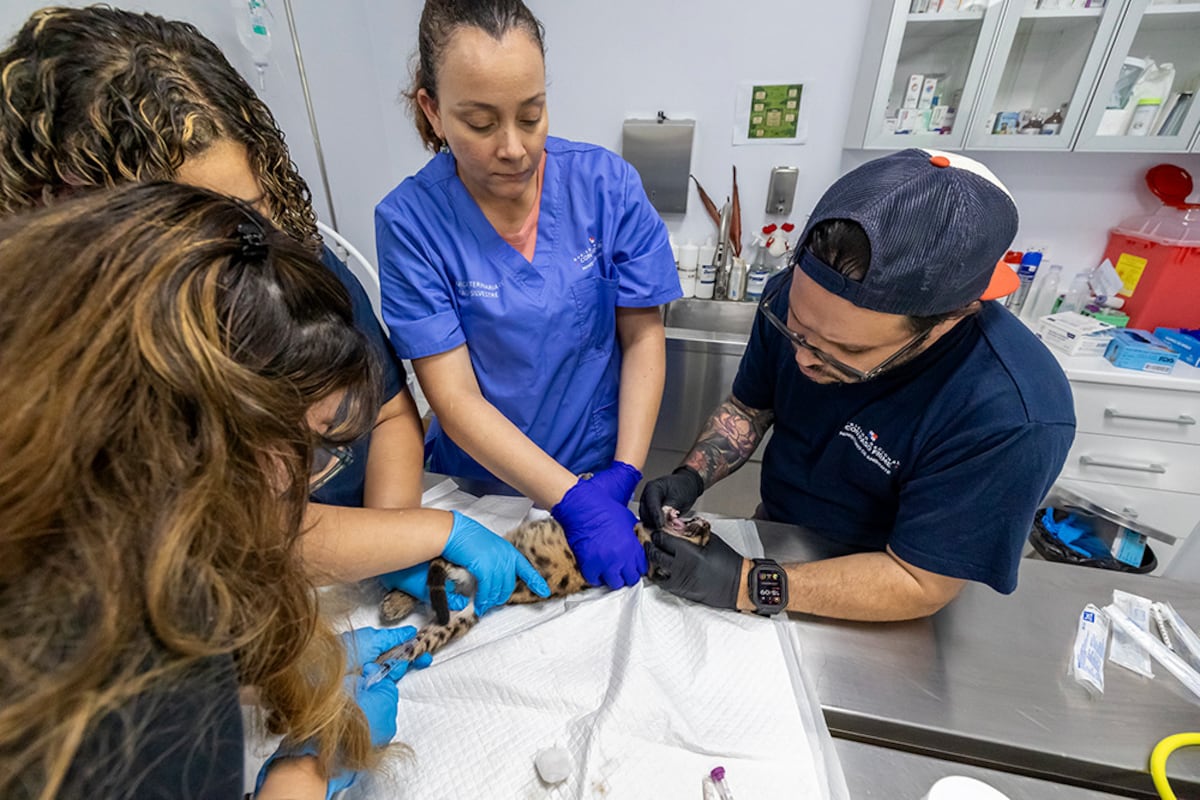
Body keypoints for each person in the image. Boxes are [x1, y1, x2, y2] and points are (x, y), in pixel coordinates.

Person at [0, 6, 547, 614]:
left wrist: (394, 537)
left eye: (252, 213)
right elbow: (234, 535)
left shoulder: (288, 257)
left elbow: (390, 413)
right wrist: (426, 535)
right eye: (202, 243)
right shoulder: (67, 387)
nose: (251, 262)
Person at [0, 183, 428, 799]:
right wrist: (300, 775)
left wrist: (270, 673)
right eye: (290, 452)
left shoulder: (81, 519)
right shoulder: (116, 676)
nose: (298, 485)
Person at [640, 149, 1076, 622]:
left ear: (949, 321)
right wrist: (691, 475)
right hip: (779, 535)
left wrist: (745, 582)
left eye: (843, 352)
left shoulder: (1011, 414)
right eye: (797, 332)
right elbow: (749, 409)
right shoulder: (796, 297)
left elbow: (919, 582)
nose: (804, 358)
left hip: (886, 594)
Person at [376, 0, 682, 590]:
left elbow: (643, 336)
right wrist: (566, 500)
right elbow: (455, 399)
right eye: (481, 123)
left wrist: (622, 472)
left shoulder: (606, 186)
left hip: (598, 473)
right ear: (433, 112)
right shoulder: (411, 223)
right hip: (481, 491)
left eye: (532, 114)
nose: (514, 147)